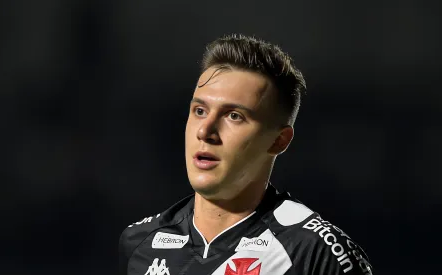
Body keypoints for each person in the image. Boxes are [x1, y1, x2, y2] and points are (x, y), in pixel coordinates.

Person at [118, 34, 373, 275]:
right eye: (199, 111)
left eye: (234, 116)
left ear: (278, 140)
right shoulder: (140, 243)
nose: (206, 131)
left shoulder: (316, 252)